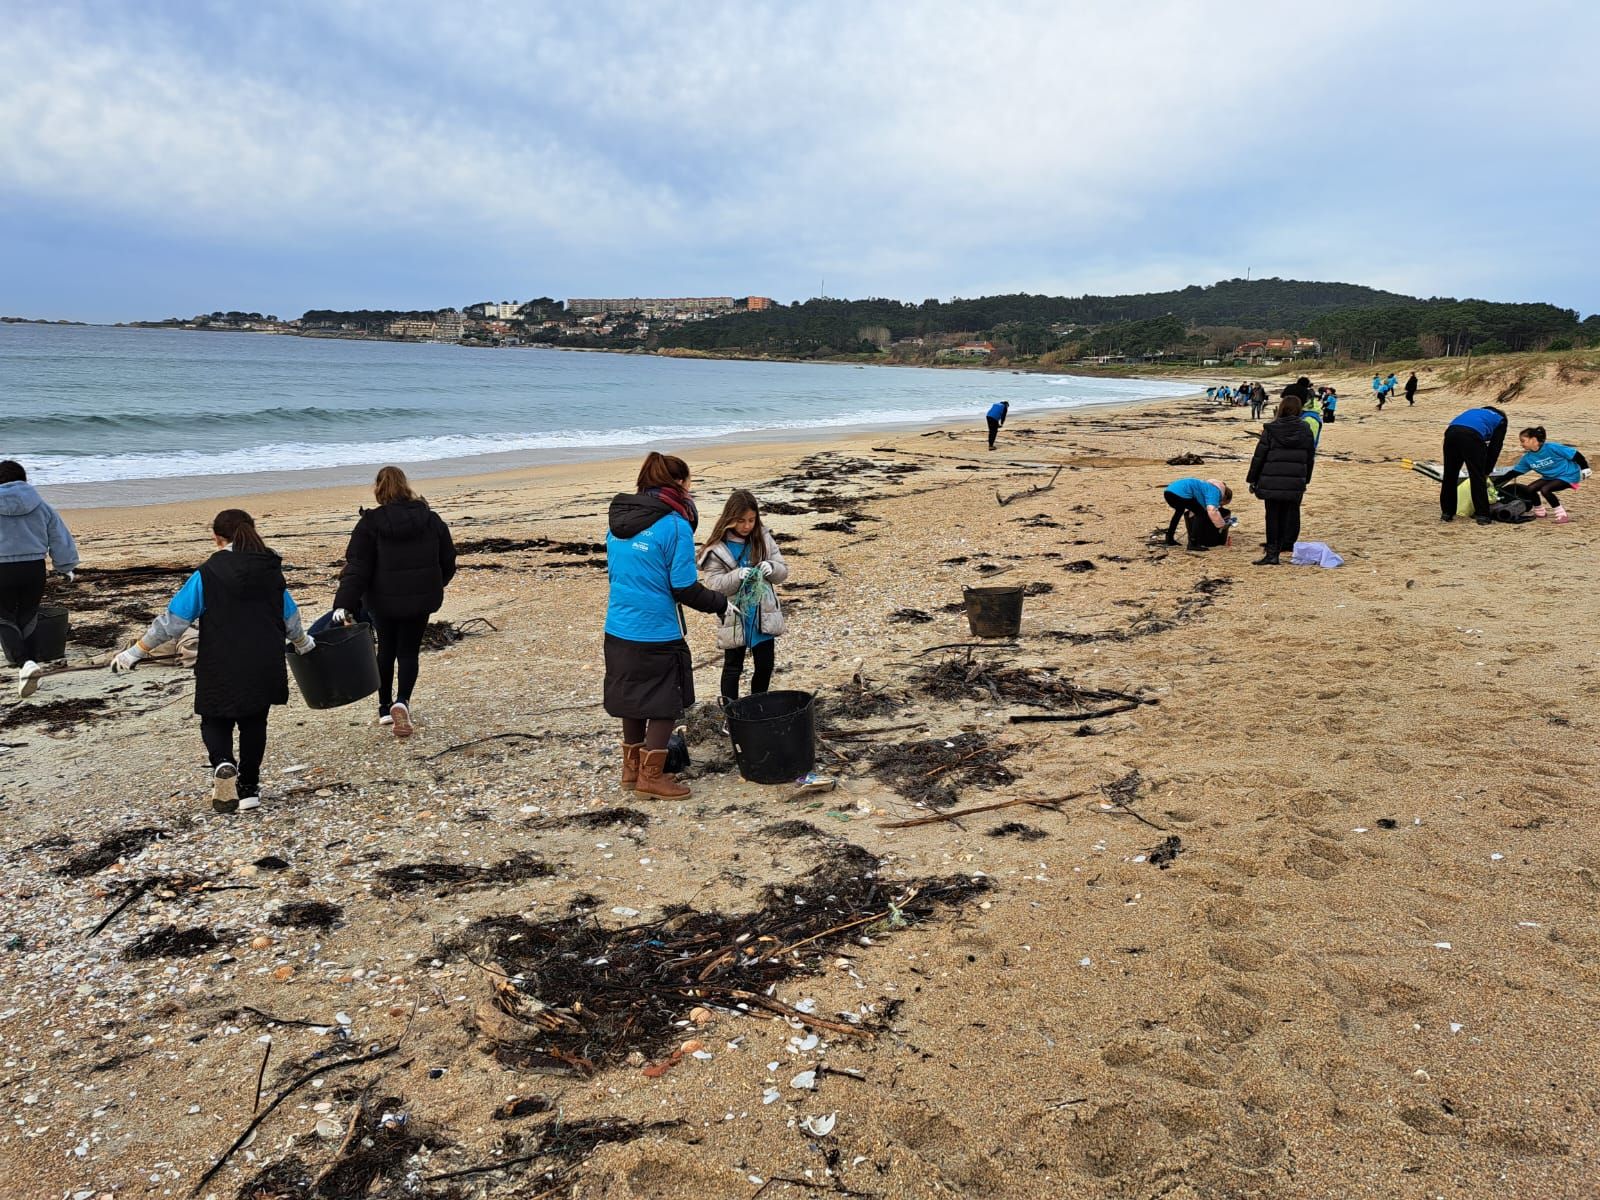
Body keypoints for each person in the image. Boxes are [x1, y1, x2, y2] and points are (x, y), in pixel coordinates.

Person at [110, 510, 314, 814]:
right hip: (264, 659)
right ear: (252, 531)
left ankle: (222, 762)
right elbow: (290, 618)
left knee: (214, 717)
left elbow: (173, 622)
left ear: (217, 538)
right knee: (254, 722)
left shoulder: (209, 572)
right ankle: (249, 790)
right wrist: (304, 643)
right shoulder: (271, 569)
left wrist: (135, 651)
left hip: (220, 658)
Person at [605, 452, 729, 799]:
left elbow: (616, 573)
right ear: (679, 484)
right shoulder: (674, 524)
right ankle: (651, 778)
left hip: (618, 626)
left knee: (631, 697)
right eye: (689, 482)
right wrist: (722, 604)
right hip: (657, 629)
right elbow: (684, 586)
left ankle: (631, 771)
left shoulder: (617, 522)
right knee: (664, 700)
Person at [330, 466, 456, 737]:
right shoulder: (430, 519)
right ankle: (403, 701)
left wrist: (344, 604)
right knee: (409, 651)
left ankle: (385, 708)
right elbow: (448, 560)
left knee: (385, 649)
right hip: (420, 600)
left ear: (379, 489)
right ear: (406, 486)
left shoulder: (370, 524)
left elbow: (357, 567)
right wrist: (433, 585)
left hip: (381, 601)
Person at [699, 489, 790, 705]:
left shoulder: (763, 537)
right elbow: (713, 585)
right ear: (730, 518)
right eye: (741, 521)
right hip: (733, 615)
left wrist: (772, 567)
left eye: (751, 520)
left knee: (765, 665)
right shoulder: (716, 548)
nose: (747, 526)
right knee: (732, 667)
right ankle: (730, 713)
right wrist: (737, 575)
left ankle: (758, 706)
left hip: (764, 613)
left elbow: (783, 572)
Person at [0, 460, 79, 698]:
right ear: (24, 480)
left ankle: (25, 663)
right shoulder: (41, 506)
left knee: (4, 617)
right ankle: (31, 663)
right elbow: (59, 536)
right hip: (33, 568)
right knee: (28, 615)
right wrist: (66, 566)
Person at [1245, 394, 1318, 565]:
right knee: (1288, 515)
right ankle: (1284, 545)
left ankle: (1272, 554)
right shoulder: (1306, 430)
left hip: (1271, 481)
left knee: (1272, 517)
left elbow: (1259, 457)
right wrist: (1305, 480)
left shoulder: (1271, 429)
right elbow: (1310, 458)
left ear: (1282, 408)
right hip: (1295, 481)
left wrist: (1252, 480)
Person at [1498, 426, 1590, 522]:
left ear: (1533, 439)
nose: (1521, 444)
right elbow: (1515, 472)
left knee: (1545, 490)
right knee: (1530, 489)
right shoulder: (1528, 458)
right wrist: (1496, 482)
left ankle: (1562, 515)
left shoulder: (1552, 447)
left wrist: (1585, 468)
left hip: (1569, 475)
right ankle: (1540, 511)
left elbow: (1575, 454)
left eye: (1523, 441)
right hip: (1550, 477)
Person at [1440, 405, 1508, 524]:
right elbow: (1494, 448)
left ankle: (1447, 513)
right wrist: (1487, 471)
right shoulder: (1501, 420)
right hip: (1472, 436)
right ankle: (1483, 516)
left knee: (1450, 475)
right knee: (1477, 476)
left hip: (1451, 433)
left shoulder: (1474, 411)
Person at [1161, 477, 1232, 549]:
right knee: (1200, 514)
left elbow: (1198, 505)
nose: (1220, 505)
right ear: (1224, 496)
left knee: (1179, 511)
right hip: (1181, 493)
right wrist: (1221, 524)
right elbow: (1212, 510)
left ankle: (1169, 538)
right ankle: (1193, 543)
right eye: (1222, 503)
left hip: (1169, 491)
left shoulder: (1206, 486)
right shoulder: (1215, 491)